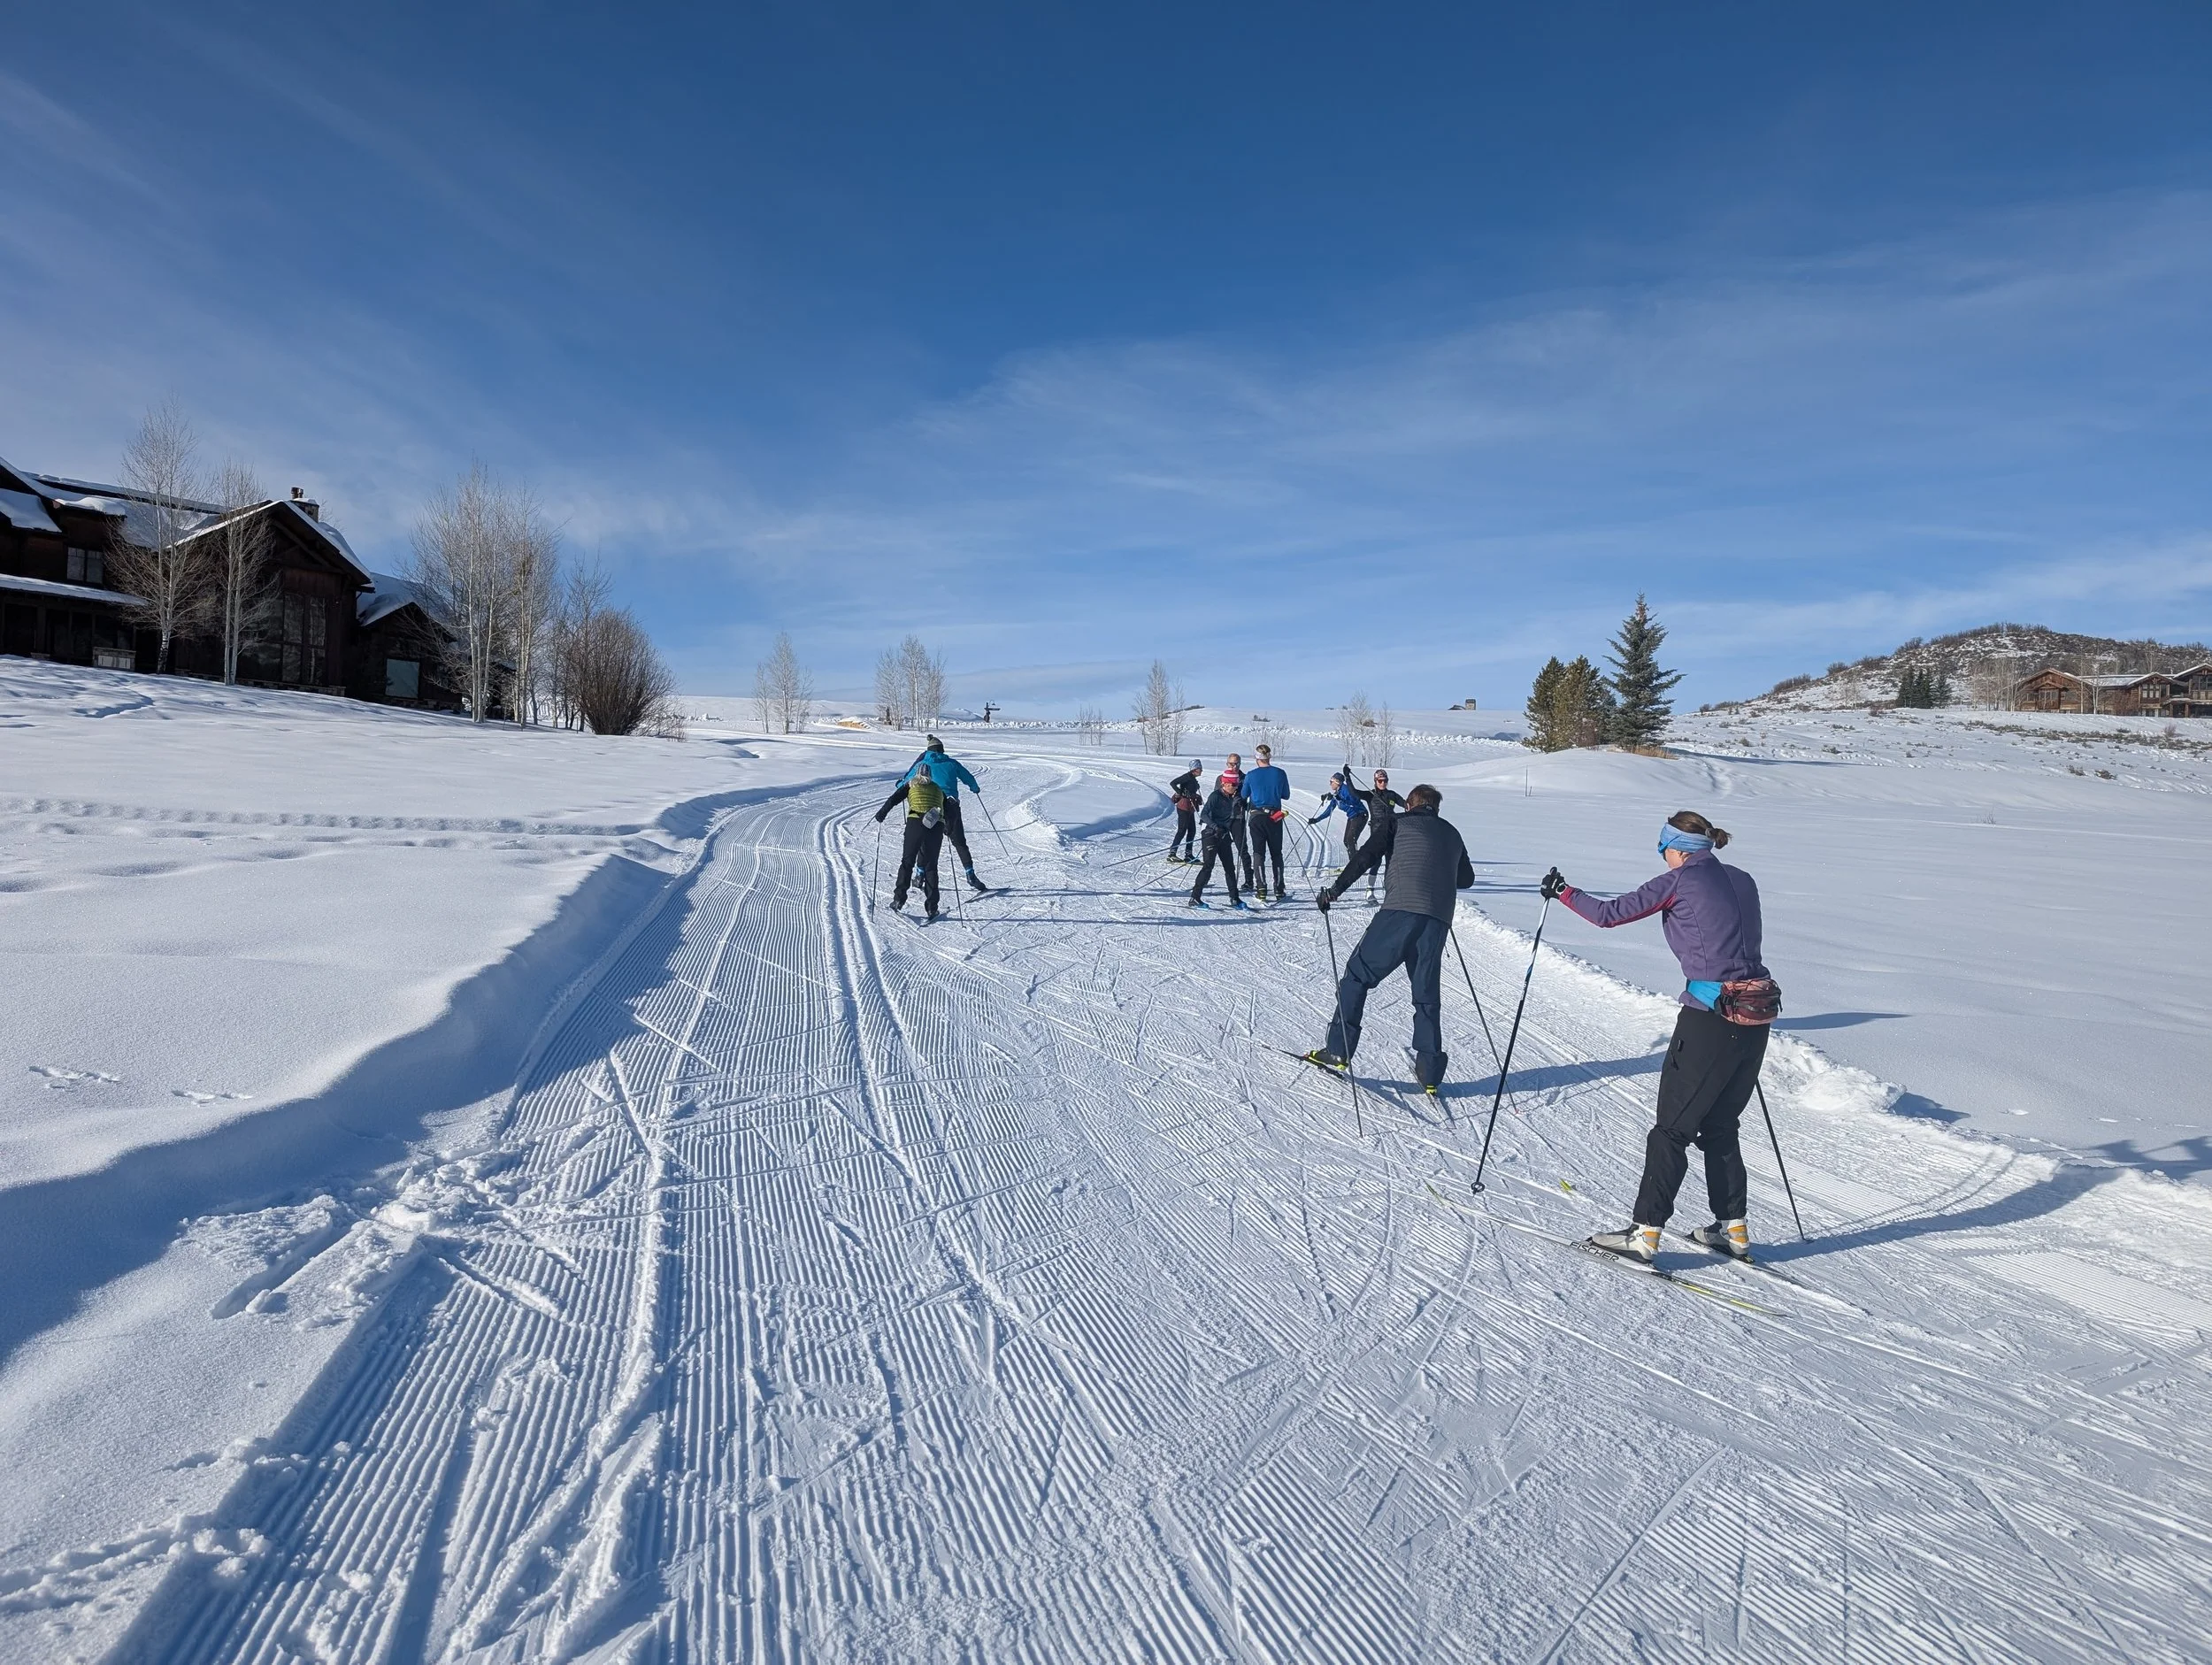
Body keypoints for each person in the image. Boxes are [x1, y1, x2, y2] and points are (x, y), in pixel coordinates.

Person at [1546, 810, 1780, 1265]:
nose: (1662, 858)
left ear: (1675, 848)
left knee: (1671, 1129)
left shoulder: (1679, 881)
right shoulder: (1743, 879)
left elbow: (1609, 915)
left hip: (1709, 1020)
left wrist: (1564, 892)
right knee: (1720, 1125)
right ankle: (1732, 1229)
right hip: (1755, 1017)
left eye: (1662, 850)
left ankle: (1645, 1232)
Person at [1307, 783, 1473, 1093]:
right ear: (1436, 808)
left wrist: (1335, 892)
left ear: (1408, 805)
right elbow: (1466, 879)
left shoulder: (1396, 823)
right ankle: (1430, 1072)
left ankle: (1338, 1050)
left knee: (1357, 977)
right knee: (1426, 995)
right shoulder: (1453, 833)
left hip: (1399, 912)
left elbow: (1366, 857)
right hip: (1437, 921)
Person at [901, 735, 991, 894]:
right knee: (959, 842)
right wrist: (974, 788)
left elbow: (908, 781)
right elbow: (968, 777)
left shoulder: (922, 764)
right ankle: (970, 874)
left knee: (925, 843)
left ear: (928, 751)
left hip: (930, 809)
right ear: (942, 750)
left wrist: (900, 785)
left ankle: (919, 875)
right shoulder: (951, 763)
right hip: (951, 806)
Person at [873, 769, 949, 921]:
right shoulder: (938, 789)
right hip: (936, 825)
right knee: (931, 866)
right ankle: (932, 908)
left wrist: (882, 814)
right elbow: (947, 809)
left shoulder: (911, 784)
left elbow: (893, 800)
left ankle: (898, 900)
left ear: (917, 774)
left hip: (915, 822)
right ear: (931, 776)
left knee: (907, 862)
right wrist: (949, 829)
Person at [1237, 743, 1294, 901]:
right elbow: (1286, 795)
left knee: (1258, 853)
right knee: (1276, 853)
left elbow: (1243, 795)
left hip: (1257, 816)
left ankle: (1261, 887)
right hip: (1275, 816)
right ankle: (1279, 888)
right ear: (1269, 757)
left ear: (1257, 758)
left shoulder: (1251, 775)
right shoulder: (1280, 773)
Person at [1187, 774, 1249, 910]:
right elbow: (1204, 815)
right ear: (1224, 784)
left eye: (1236, 785)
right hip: (1210, 832)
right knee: (1208, 865)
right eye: (1232, 785)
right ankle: (1195, 898)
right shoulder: (1215, 796)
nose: (1235, 787)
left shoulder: (1232, 797)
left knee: (1229, 867)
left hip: (1223, 833)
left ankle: (1234, 897)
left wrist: (1244, 805)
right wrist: (1215, 827)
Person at [1307, 771, 1370, 871]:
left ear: (1337, 782)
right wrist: (1316, 820)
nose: (1330, 784)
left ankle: (1354, 867)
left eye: (1331, 782)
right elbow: (1329, 811)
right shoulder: (1337, 793)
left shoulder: (1345, 790)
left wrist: (1338, 798)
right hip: (1353, 817)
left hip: (1361, 815)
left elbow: (1353, 801)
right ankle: (1356, 862)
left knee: (1350, 839)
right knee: (1347, 841)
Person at [1219, 752, 1256, 895]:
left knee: (1242, 850)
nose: (1233, 766)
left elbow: (1251, 797)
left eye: (1236, 764)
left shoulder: (1245, 779)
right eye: (1230, 763)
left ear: (1240, 764)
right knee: (1218, 848)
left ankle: (1249, 880)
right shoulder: (1221, 778)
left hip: (1238, 818)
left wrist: (1246, 805)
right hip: (1223, 819)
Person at [1167, 760, 1202, 863]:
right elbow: (1173, 783)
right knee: (1182, 830)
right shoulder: (1187, 777)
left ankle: (1188, 855)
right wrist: (1180, 792)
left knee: (1192, 831)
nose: (1202, 771)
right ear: (1195, 769)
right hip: (1184, 807)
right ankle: (1172, 854)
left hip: (1190, 807)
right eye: (1200, 768)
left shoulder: (1192, 778)